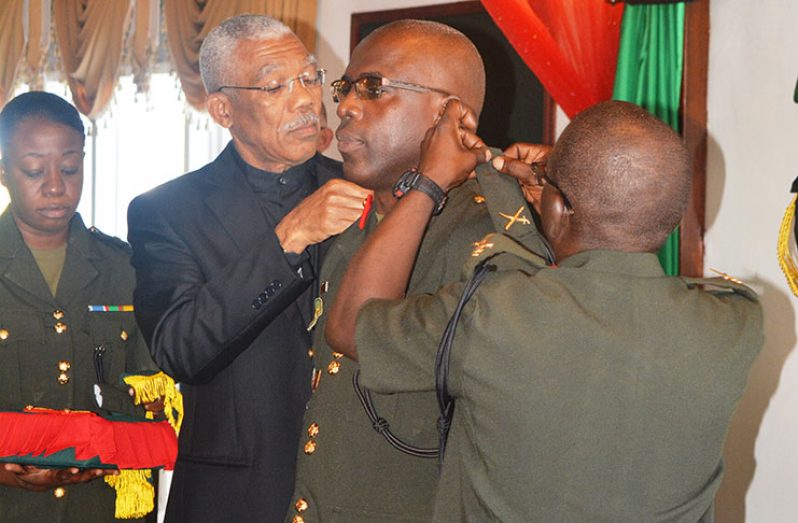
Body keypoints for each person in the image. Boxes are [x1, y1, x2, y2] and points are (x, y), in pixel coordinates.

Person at [326, 100, 764, 521]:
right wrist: (569, 195)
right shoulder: (734, 323)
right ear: (673, 217)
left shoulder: (492, 315)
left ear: (556, 206)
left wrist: (428, 183)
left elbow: (349, 325)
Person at [286, 20, 548, 523]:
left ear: (451, 115)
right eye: (345, 87)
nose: (344, 106)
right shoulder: (355, 224)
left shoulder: (490, 240)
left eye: (374, 88)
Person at [126, 15, 371, 523]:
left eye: (309, 78)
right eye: (275, 85)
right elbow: (181, 349)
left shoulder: (364, 191)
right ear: (222, 109)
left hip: (353, 487)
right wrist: (288, 240)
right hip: (234, 497)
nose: (305, 99)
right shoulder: (168, 211)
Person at [0, 91, 158, 522]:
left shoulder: (123, 268)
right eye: (34, 169)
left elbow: (151, 397)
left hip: (100, 505)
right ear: (2, 170)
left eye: (70, 167)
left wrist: (113, 451)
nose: (55, 185)